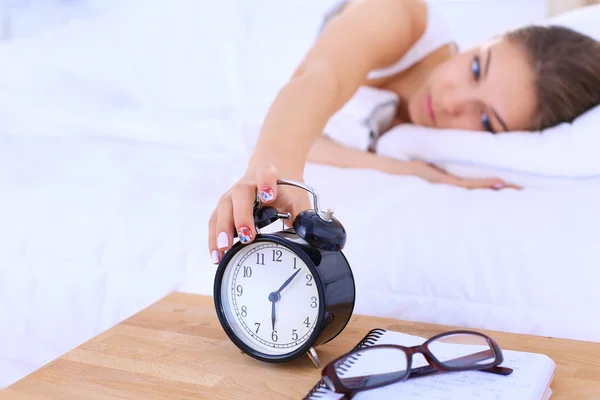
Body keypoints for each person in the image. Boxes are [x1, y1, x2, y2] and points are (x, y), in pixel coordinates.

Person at [208, 0, 600, 264]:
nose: (452, 101)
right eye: (476, 69)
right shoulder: (402, 14)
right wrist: (276, 174)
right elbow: (320, 79)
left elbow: (319, 146)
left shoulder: (418, 143)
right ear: (487, 39)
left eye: (484, 120)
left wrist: (413, 172)